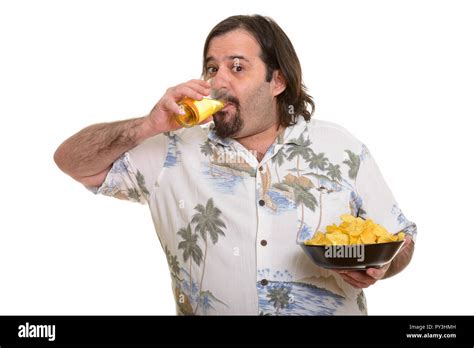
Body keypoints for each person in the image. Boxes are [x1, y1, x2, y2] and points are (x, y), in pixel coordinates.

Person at [54, 14, 417, 315]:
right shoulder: (170, 151)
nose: (217, 82)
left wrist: (381, 267)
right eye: (211, 68)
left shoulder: (340, 147)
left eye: (237, 67)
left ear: (277, 81)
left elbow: (401, 238)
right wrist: (149, 126)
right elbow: (71, 161)